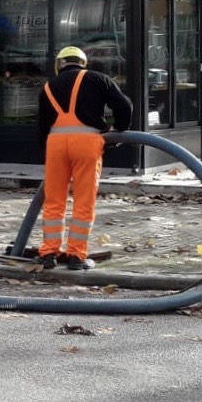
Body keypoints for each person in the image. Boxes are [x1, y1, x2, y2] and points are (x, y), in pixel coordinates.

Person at [37, 46, 133, 270]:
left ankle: (49, 252)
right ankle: (76, 256)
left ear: (59, 65)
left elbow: (42, 128)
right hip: (87, 143)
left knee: (54, 199)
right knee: (83, 199)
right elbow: (124, 105)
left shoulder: (48, 87)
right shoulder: (98, 79)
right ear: (83, 63)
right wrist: (117, 131)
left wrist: (49, 147)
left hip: (56, 145)